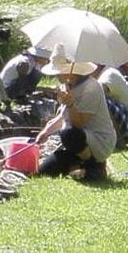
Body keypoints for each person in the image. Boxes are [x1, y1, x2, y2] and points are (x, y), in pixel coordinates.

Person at [35, 46, 115, 180]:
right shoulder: (67, 85)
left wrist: (70, 103)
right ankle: (79, 164)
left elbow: (78, 123)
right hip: (77, 140)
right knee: (44, 170)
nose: (57, 75)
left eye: (60, 72)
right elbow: (63, 116)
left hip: (97, 140)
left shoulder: (91, 88)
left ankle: (93, 166)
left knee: (68, 133)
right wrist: (46, 131)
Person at [95, 63, 128, 149]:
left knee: (100, 101)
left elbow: (96, 94)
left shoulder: (109, 73)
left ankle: (119, 143)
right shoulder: (104, 74)